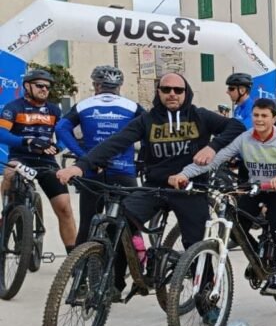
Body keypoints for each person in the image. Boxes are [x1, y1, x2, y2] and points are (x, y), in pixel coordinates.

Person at [57, 73, 245, 297]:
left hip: (190, 188)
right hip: (154, 187)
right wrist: (81, 165)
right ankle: (114, 284)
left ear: (187, 93)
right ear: (159, 93)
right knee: (117, 225)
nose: (172, 94)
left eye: (178, 90)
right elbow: (116, 142)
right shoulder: (147, 119)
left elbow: (237, 126)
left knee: (196, 243)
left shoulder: (200, 116)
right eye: (166, 90)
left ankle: (205, 298)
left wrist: (213, 147)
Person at [174, 98, 276, 294]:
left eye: (264, 116)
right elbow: (215, 159)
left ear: (274, 119)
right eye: (256, 115)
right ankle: (259, 256)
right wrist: (183, 174)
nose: (259, 119)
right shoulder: (244, 138)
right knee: (235, 226)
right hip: (256, 188)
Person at [55, 66, 143, 246]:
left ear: (96, 85)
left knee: (87, 224)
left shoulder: (83, 105)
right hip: (123, 171)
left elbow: (61, 128)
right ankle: (135, 264)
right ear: (119, 86)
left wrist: (83, 157)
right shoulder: (133, 106)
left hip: (92, 172)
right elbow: (150, 131)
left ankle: (79, 270)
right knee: (131, 224)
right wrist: (144, 159)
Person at [0, 68, 77, 254]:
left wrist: (58, 148)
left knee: (65, 208)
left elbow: (66, 136)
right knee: (9, 175)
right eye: (40, 86)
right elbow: (2, 133)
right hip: (21, 158)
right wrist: (26, 140)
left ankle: (74, 261)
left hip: (46, 162)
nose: (44, 89)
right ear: (27, 86)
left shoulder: (54, 110)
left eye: (47, 87)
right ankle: (7, 214)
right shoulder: (13, 107)